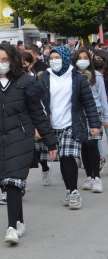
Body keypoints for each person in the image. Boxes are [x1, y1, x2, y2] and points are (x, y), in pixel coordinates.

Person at [0, 45, 58, 244]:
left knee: (13, 182)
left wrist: (51, 142)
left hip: (21, 138)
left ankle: (11, 227)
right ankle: (19, 220)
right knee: (9, 183)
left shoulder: (27, 82)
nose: (1, 63)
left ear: (13, 60)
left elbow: (38, 114)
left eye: (5, 59)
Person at [26, 46, 100, 209]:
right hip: (51, 126)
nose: (54, 61)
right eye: (51, 58)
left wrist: (94, 124)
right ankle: (68, 189)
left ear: (66, 58)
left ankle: (74, 192)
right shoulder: (45, 77)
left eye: (57, 58)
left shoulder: (77, 79)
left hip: (71, 125)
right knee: (61, 159)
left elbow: (89, 102)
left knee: (68, 157)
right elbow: (31, 96)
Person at [73, 49, 107, 192]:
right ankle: (89, 176)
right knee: (84, 146)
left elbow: (102, 98)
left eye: (86, 57)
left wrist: (106, 117)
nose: (83, 60)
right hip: (78, 114)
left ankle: (97, 178)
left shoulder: (97, 76)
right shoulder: (71, 76)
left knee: (93, 144)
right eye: (80, 57)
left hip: (95, 112)